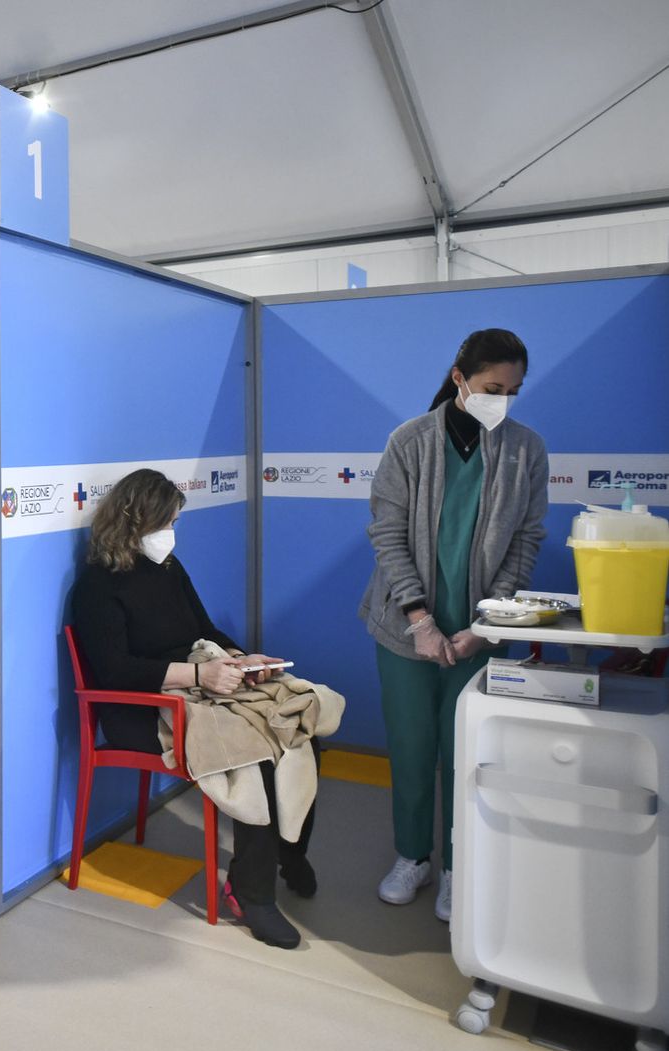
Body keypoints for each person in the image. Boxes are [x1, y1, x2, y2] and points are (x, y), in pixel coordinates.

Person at [73, 469, 314, 949]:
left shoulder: (167, 567)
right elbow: (114, 671)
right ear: (134, 519)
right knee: (257, 752)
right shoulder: (97, 587)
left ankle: (288, 850)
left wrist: (243, 660)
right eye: (166, 523)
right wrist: (199, 676)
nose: (171, 534)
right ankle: (251, 895)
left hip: (191, 691)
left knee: (298, 729)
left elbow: (203, 629)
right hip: (138, 712)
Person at [361, 329, 547, 922]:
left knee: (466, 752)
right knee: (413, 748)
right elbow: (388, 536)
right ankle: (412, 857)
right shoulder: (410, 442)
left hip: (478, 633)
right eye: (494, 388)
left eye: (514, 392)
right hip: (403, 629)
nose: (504, 400)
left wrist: (488, 623)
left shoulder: (526, 451)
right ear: (460, 377)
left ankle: (455, 866)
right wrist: (419, 617)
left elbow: (525, 541)